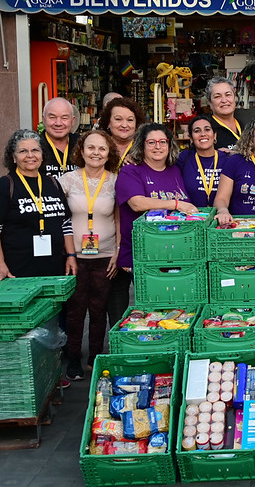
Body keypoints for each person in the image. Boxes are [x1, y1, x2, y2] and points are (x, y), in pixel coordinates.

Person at [58, 130, 120, 378]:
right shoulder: (67, 181)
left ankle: (94, 356)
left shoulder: (115, 181)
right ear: (81, 151)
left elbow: (119, 220)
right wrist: (68, 254)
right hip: (75, 257)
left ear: (109, 153)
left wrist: (118, 251)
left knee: (98, 309)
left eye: (102, 149)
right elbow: (61, 219)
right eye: (91, 148)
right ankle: (74, 358)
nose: (96, 153)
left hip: (105, 256)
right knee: (75, 311)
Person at [115, 124, 195, 311]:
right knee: (153, 309)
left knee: (177, 309)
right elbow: (137, 203)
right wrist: (176, 204)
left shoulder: (175, 170)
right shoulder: (131, 171)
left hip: (176, 253)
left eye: (162, 142)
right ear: (142, 145)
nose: (157, 147)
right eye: (151, 142)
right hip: (144, 255)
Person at [0, 129, 77, 279]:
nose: (30, 155)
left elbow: (65, 223)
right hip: (17, 269)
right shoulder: (5, 185)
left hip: (55, 266)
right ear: (14, 157)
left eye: (35, 150)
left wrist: (71, 255)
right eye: (23, 151)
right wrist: (0, 264)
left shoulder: (53, 183)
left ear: (42, 155)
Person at [176, 115, 230, 207]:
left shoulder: (227, 160)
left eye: (207, 129)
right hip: (193, 218)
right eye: (197, 131)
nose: (203, 134)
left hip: (224, 217)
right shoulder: (184, 158)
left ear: (215, 135)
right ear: (191, 138)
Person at [95, 97, 146, 169]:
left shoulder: (144, 148)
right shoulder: (98, 145)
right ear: (108, 122)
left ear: (136, 123)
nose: (124, 125)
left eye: (130, 120)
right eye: (118, 119)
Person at [41, 97, 79, 178]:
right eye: (52, 117)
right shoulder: (34, 146)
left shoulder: (82, 144)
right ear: (43, 119)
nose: (58, 123)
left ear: (73, 121)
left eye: (64, 118)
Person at [206, 77, 243, 151]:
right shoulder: (207, 130)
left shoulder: (244, 126)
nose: (224, 100)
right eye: (217, 96)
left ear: (235, 98)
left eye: (228, 95)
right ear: (210, 103)